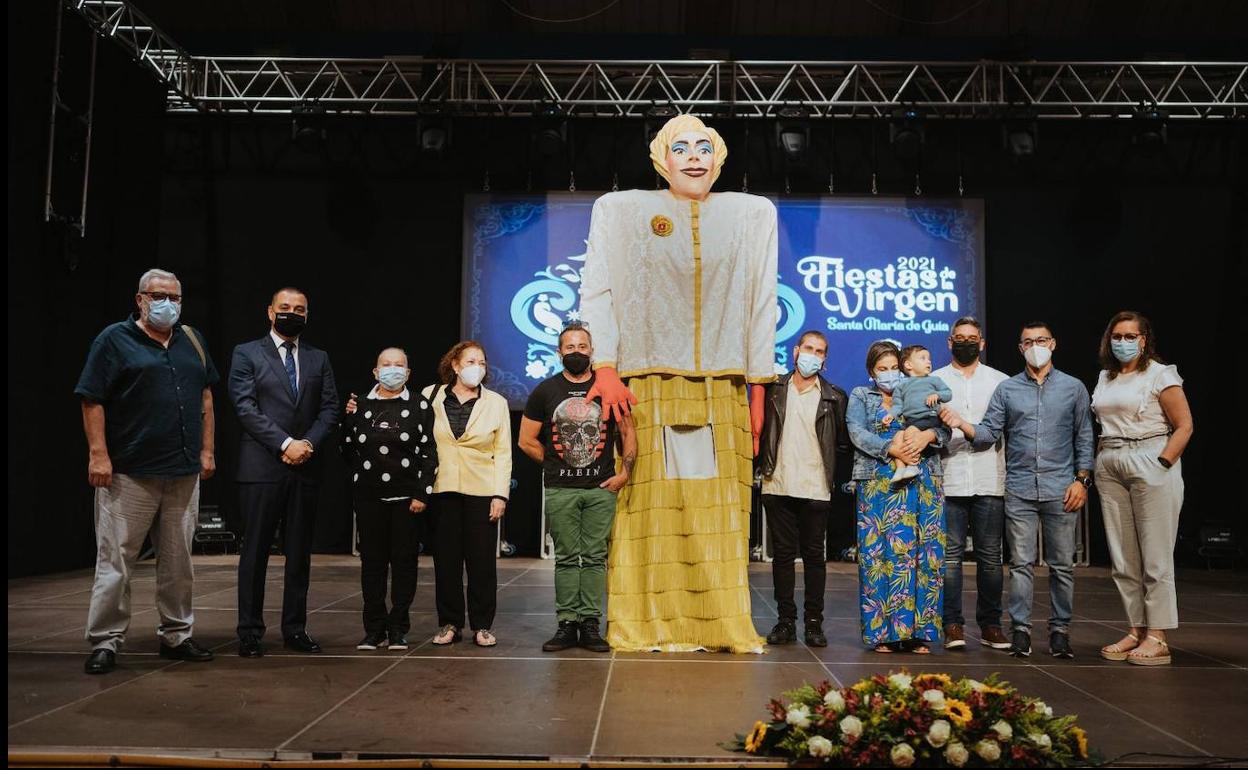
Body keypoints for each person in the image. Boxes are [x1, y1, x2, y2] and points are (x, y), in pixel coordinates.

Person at [580, 113, 776, 653]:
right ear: (661, 158)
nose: (694, 156)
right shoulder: (621, 211)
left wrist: (758, 391)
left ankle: (718, 623)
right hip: (646, 385)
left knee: (721, 511)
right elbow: (597, 290)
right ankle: (644, 621)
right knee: (648, 505)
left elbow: (762, 303)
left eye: (705, 146)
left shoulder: (751, 214)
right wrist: (606, 366)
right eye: (681, 146)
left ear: (720, 157)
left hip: (724, 387)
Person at [75, 269, 218, 674]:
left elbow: (206, 398)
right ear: (139, 299)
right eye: (158, 296)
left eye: (175, 297)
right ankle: (105, 640)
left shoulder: (192, 340)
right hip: (130, 473)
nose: (167, 304)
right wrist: (98, 455)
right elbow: (91, 399)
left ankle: (177, 635)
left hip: (183, 471)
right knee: (116, 560)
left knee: (178, 562)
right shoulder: (114, 340)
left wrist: (207, 450)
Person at [941, 321, 1094, 660]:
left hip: (1061, 487)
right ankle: (1021, 631)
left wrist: (1082, 480)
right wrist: (961, 424)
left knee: (1061, 566)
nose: (1035, 346)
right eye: (1028, 342)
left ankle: (1059, 632)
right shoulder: (1008, 389)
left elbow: (1084, 436)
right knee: (1021, 564)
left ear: (1052, 343)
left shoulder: (1073, 387)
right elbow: (988, 433)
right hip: (1020, 488)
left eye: (1041, 340)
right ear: (1020, 348)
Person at [229, 287, 340, 658]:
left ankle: (295, 628)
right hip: (262, 466)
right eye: (285, 308)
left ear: (307, 316)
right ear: (270, 311)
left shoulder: (318, 357)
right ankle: (249, 632)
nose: (292, 313)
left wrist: (306, 444)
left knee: (299, 554)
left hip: (306, 466)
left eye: (300, 309)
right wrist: (284, 444)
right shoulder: (246, 353)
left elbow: (329, 408)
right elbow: (245, 408)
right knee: (256, 551)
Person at [519, 323, 637, 653]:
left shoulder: (610, 389)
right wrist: (555, 464)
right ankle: (566, 625)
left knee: (595, 558)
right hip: (561, 490)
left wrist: (625, 473)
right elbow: (525, 439)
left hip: (601, 489)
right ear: (559, 352)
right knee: (568, 559)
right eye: (570, 347)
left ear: (592, 351)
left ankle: (590, 625)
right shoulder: (544, 391)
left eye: (582, 346)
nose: (576, 352)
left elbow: (628, 433)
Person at [1092, 311, 1193, 666]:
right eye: (1117, 335)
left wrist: (1163, 462)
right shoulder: (1107, 377)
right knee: (1123, 557)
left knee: (1155, 554)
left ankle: (1159, 635)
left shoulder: (1161, 374)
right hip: (1110, 459)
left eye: (1130, 335)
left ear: (1144, 339)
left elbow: (1184, 425)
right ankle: (1136, 629)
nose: (1123, 342)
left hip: (1149, 455)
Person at [845, 341, 948, 654]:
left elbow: (945, 429)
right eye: (882, 369)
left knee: (924, 554)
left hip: (923, 481)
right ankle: (883, 634)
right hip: (879, 482)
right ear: (871, 372)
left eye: (894, 368)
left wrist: (928, 436)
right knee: (879, 557)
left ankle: (918, 633)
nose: (889, 374)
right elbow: (856, 431)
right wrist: (890, 448)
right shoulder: (862, 396)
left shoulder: (919, 390)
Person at [341, 348, 438, 652]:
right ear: (375, 371)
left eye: (399, 365)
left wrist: (422, 492)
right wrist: (347, 419)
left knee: (404, 564)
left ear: (408, 373)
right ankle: (374, 629)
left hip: (407, 500)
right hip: (369, 498)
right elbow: (346, 450)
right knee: (372, 565)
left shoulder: (420, 405)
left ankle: (398, 628)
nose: (392, 369)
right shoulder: (361, 405)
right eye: (386, 364)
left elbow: (429, 452)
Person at [758, 330, 851, 648]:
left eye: (820, 351)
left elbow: (841, 443)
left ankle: (814, 623)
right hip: (779, 481)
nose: (813, 354)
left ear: (825, 359)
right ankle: (785, 622)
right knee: (782, 556)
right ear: (796, 351)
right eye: (808, 348)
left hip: (815, 485)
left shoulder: (835, 396)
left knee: (814, 557)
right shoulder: (774, 389)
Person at [422, 341, 512, 648]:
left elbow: (503, 453)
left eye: (483, 363)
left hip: (482, 490)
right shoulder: (430, 396)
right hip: (442, 488)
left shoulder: (497, 403)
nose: (478, 367)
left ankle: (482, 625)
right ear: (456, 365)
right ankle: (449, 622)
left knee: (482, 562)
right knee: (446, 560)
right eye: (471, 361)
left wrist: (500, 495)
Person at [932, 317, 1011, 651]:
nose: (966, 342)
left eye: (972, 338)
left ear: (982, 344)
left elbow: (997, 432)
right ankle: (952, 624)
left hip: (988, 477)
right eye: (959, 338)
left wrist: (964, 427)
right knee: (949, 558)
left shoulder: (1000, 382)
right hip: (948, 479)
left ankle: (991, 625)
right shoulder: (932, 380)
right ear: (950, 342)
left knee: (990, 558)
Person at [884, 345, 953, 483]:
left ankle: (913, 465)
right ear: (908, 365)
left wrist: (937, 394)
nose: (928, 362)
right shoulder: (901, 386)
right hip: (911, 420)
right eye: (923, 358)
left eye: (929, 359)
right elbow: (898, 405)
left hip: (929, 417)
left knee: (909, 432)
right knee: (898, 437)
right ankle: (900, 468)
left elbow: (948, 393)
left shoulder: (934, 380)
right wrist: (891, 415)